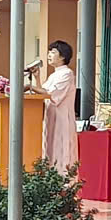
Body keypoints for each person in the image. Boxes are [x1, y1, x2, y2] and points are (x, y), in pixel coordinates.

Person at [24, 40, 78, 173]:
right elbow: (43, 93)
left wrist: (29, 87)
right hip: (51, 119)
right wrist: (36, 78)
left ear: (63, 56)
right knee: (49, 150)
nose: (49, 55)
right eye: (49, 52)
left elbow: (51, 94)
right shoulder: (54, 75)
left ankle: (63, 182)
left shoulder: (67, 74)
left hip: (62, 120)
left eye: (53, 52)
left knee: (61, 152)